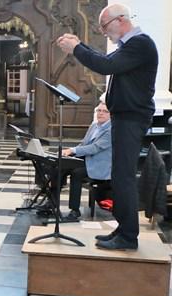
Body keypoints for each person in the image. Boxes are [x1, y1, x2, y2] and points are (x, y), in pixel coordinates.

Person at [57, 3, 157, 250]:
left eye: (104, 26)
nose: (103, 32)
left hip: (131, 118)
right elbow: (106, 60)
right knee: (120, 177)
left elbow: (105, 66)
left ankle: (128, 237)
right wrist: (81, 45)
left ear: (120, 20)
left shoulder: (141, 43)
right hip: (125, 117)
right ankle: (123, 230)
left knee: (123, 178)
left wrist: (77, 48)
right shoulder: (129, 46)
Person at [61, 96, 112, 221]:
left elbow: (95, 148)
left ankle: (75, 211)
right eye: (99, 110)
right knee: (59, 165)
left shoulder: (111, 130)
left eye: (105, 111)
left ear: (111, 115)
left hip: (100, 165)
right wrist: (70, 153)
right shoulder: (94, 125)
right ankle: (50, 203)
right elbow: (84, 144)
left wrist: (72, 151)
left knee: (76, 173)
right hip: (87, 159)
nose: (100, 113)